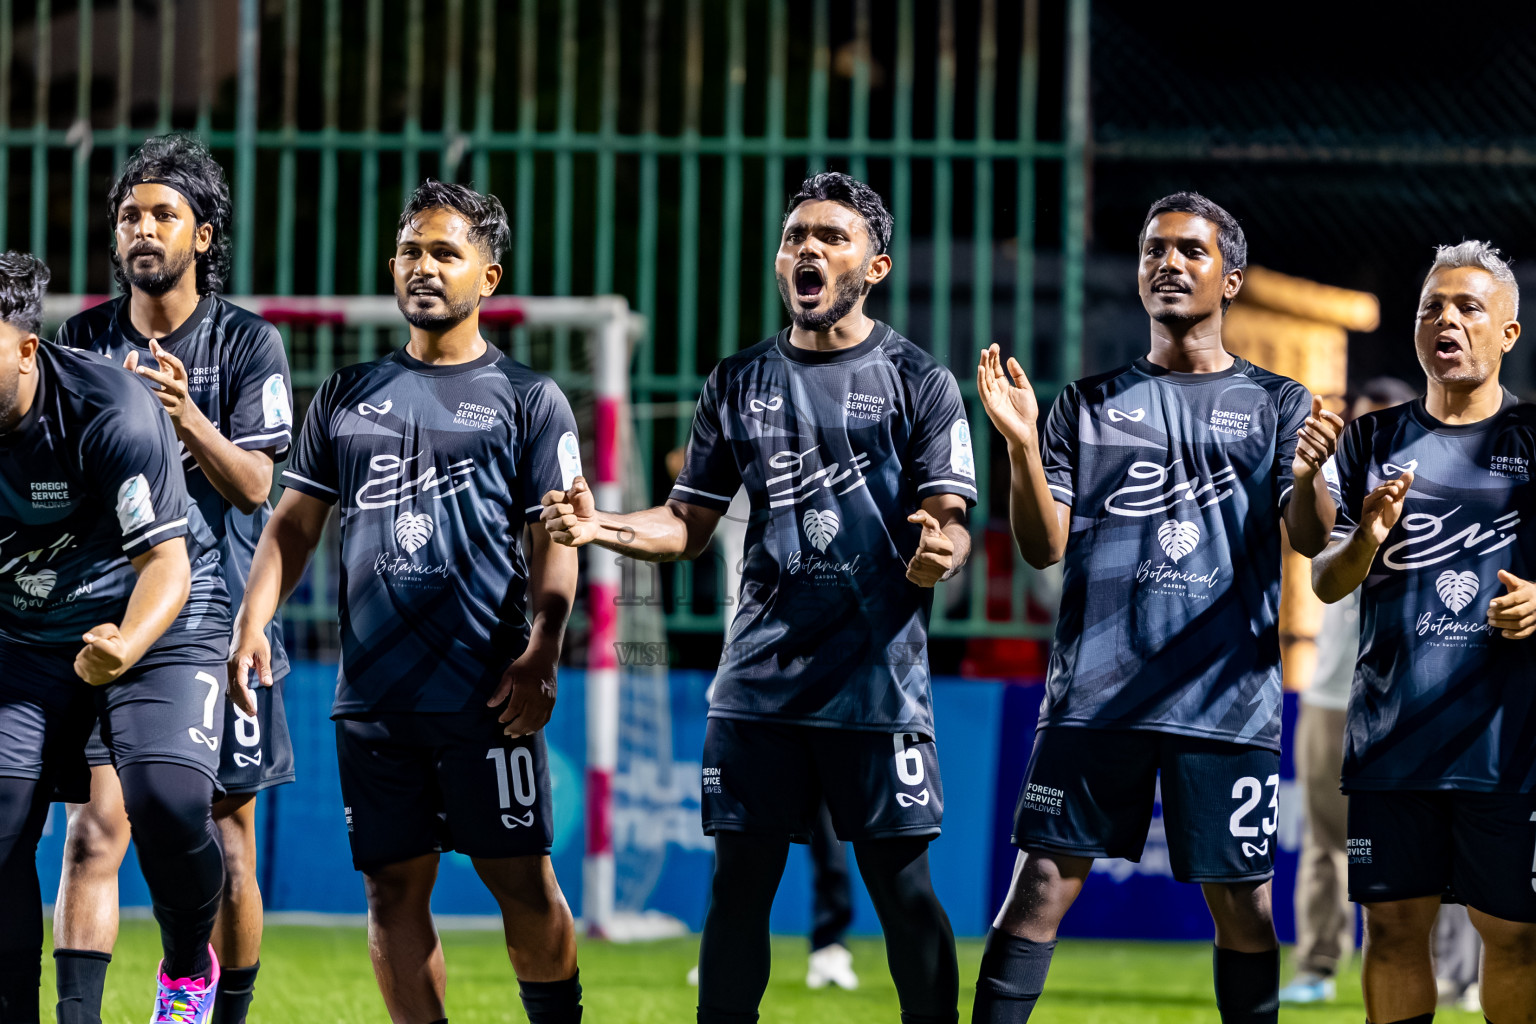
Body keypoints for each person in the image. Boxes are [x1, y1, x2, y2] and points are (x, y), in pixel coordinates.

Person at [542, 171, 972, 1024]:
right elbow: (685, 524)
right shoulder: (737, 381)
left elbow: (949, 524)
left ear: (874, 266)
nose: (806, 249)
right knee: (737, 894)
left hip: (877, 690)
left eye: (830, 237)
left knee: (906, 895)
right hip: (758, 689)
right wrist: (603, 531)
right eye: (795, 237)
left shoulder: (920, 382)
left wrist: (936, 557)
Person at [971, 191, 1343, 1024]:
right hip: (1096, 700)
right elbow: (1041, 545)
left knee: (1243, 908)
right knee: (1037, 889)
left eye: (1190, 252)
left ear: (1232, 278)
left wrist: (1315, 475)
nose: (1168, 264)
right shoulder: (1083, 404)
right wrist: (1023, 448)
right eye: (1153, 251)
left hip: (1223, 704)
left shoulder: (1279, 405)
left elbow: (1310, 539)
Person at [228, 179, 584, 1024]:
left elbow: (557, 536)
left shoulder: (531, 400)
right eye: (411, 251)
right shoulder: (347, 395)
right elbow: (292, 527)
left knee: (521, 880)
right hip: (375, 698)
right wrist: (253, 620)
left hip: (486, 691)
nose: (423, 268)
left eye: (446, 253)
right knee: (391, 887)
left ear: (487, 279)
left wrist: (545, 646)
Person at [50, 132, 294, 1024]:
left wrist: (184, 414)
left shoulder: (247, 345)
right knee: (94, 832)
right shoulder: (77, 343)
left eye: (163, 215)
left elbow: (261, 487)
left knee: (224, 838)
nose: (142, 230)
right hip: (101, 621)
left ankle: (212, 1010)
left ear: (202, 235)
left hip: (220, 622)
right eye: (129, 216)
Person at [1310, 240, 1536, 1024]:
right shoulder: (1370, 442)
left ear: (1509, 331)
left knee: (1514, 937)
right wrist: (1366, 539)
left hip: (1509, 744)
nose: (1446, 318)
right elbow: (1324, 576)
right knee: (1394, 932)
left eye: (1469, 306)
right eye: (1431, 307)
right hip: (1392, 737)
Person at [0, 249, 228, 1024]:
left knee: (167, 803)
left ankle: (191, 968)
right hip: (24, 636)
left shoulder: (109, 410)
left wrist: (124, 648)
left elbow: (167, 563)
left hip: (153, 623)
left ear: (27, 347)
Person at [1279, 376, 1416, 1006]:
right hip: (1333, 691)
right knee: (1326, 843)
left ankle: (1461, 973)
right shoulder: (1332, 481)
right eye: (1361, 421)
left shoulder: (1433, 480)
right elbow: (1314, 565)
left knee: (1429, 848)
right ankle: (1317, 965)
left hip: (1413, 698)